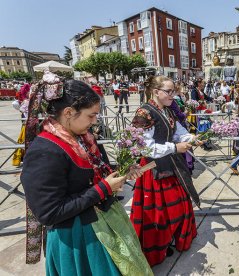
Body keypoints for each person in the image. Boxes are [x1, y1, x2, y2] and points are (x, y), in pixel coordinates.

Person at [21, 73, 152, 275]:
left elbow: (98, 171)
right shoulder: (44, 151)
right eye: (91, 115)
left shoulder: (83, 138)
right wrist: (104, 188)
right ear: (68, 112)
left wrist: (123, 173)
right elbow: (49, 213)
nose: (95, 120)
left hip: (103, 224)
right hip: (78, 240)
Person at [130, 76, 200, 266]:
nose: (173, 95)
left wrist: (191, 138)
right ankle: (159, 246)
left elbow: (178, 131)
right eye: (169, 91)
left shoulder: (167, 110)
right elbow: (144, 147)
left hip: (171, 164)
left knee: (180, 204)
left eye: (174, 91)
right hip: (153, 169)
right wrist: (175, 148)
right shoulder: (144, 113)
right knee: (159, 213)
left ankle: (173, 237)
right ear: (156, 91)